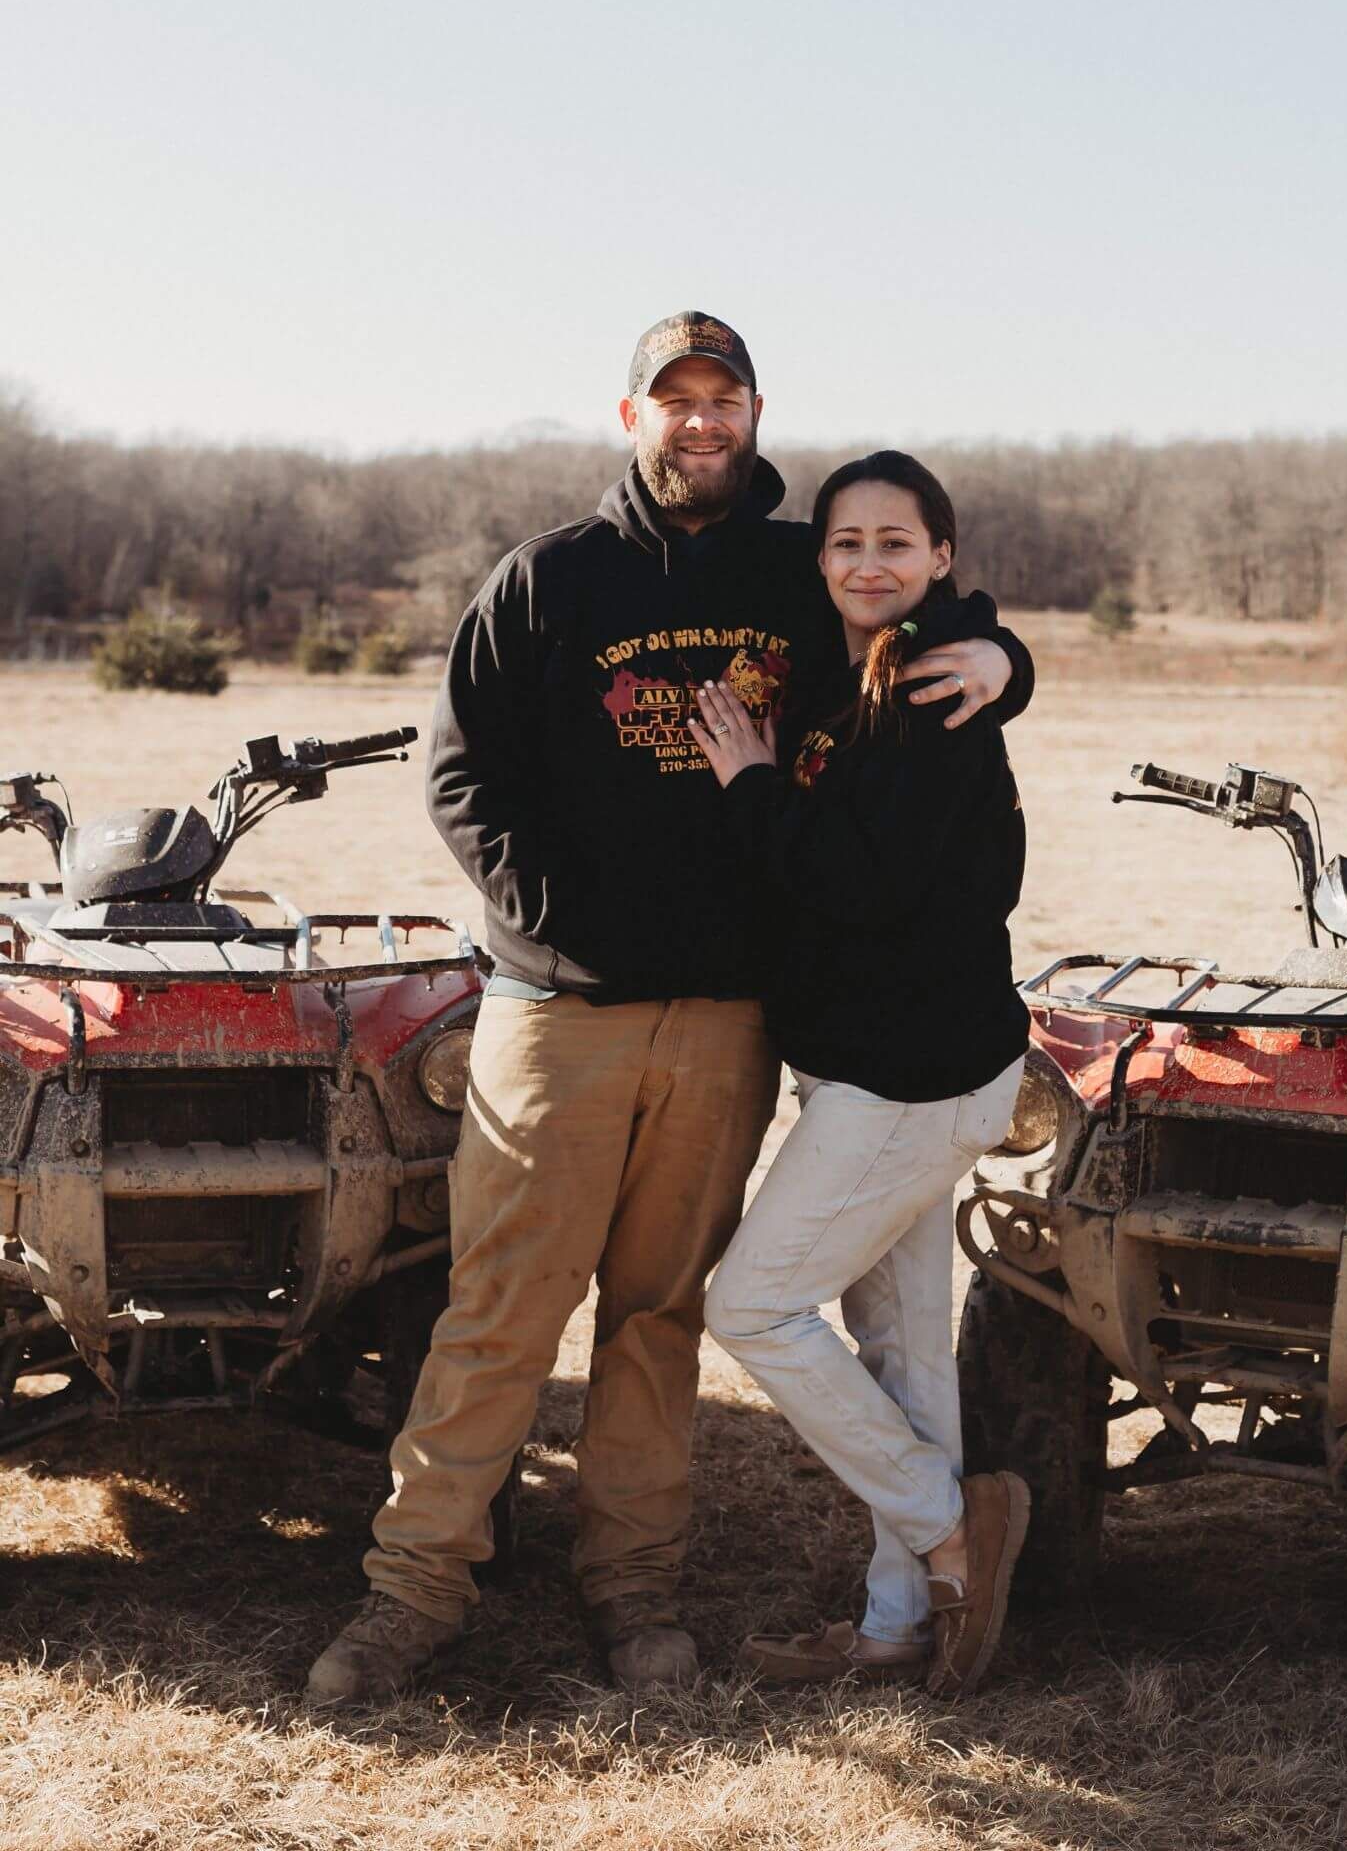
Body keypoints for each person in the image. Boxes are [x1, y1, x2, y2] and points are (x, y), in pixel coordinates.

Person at [306, 313, 1033, 1704]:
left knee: (661, 1319)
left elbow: (919, 618)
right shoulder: (546, 581)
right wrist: (572, 936)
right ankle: (412, 1593)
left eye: (727, 399)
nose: (702, 422)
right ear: (628, 414)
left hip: (724, 1026)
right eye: (674, 399)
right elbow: (466, 786)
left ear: (756, 413)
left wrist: (1002, 658)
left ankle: (635, 1594)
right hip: (558, 1009)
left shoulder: (791, 568)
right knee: (500, 1312)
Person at [695, 451, 1032, 1697]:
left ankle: (952, 1531)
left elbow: (857, 886)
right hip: (875, 1068)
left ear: (943, 555)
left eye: (899, 541)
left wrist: (750, 784)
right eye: (845, 543)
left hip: (914, 1074)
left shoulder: (935, 684)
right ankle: (907, 1623)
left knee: (754, 1307)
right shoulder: (866, 672)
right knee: (900, 1348)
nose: (868, 562)